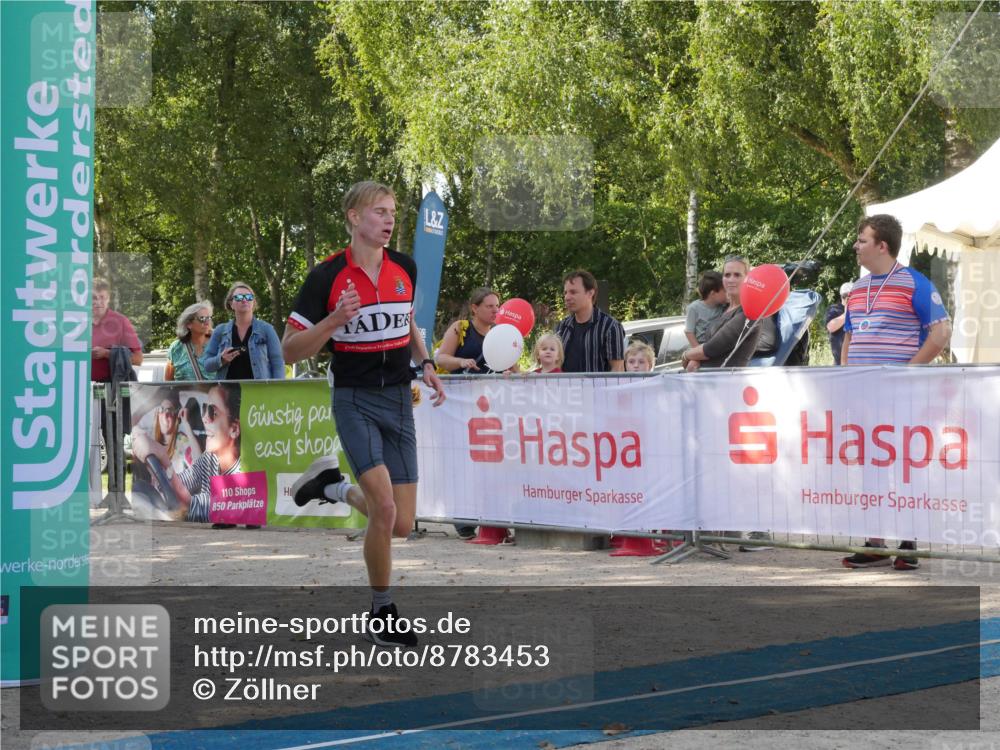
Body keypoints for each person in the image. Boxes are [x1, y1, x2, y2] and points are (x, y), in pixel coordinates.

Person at [281, 180, 446, 648]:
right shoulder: (326, 276)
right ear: (354, 218)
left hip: (399, 400)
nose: (389, 220)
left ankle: (330, 487)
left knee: (400, 524)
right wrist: (335, 320)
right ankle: (382, 611)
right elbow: (289, 350)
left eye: (392, 211)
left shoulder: (405, 267)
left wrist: (426, 363)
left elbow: (408, 323)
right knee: (385, 507)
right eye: (379, 212)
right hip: (354, 399)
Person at [840, 214, 951, 571]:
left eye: (862, 240)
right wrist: (845, 378)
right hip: (864, 397)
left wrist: (906, 372)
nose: (856, 246)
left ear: (882, 245)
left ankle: (909, 541)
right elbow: (850, 337)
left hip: (902, 397)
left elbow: (941, 332)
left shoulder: (915, 283)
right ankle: (875, 543)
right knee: (870, 466)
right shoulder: (857, 289)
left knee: (905, 466)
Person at [131, 383, 242, 525]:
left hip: (216, 535)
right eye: (204, 409)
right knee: (140, 488)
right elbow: (181, 483)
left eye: (213, 412)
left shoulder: (240, 477)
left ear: (234, 429)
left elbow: (192, 506)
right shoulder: (210, 460)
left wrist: (163, 458)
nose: (204, 418)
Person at [681, 257, 762, 371]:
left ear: (747, 278)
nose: (731, 280)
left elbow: (710, 349)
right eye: (727, 275)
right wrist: (695, 358)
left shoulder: (749, 313)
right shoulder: (722, 308)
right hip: (706, 378)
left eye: (737, 275)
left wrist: (686, 355)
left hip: (727, 379)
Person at [204, 282, 285, 381]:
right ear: (231, 304)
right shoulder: (220, 331)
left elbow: (278, 363)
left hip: (259, 389)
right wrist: (221, 359)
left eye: (249, 297)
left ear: (253, 302)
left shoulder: (267, 329)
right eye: (239, 297)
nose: (244, 300)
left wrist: (277, 388)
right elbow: (207, 365)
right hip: (227, 389)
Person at [556, 270, 625, 373]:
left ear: (590, 293)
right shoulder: (562, 326)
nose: (567, 297)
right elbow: (554, 365)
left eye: (573, 292)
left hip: (599, 384)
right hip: (565, 384)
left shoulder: (610, 327)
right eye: (565, 293)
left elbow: (617, 370)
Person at [435, 287, 500, 373]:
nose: (496, 310)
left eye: (497, 306)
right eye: (490, 306)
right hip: (459, 381)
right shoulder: (461, 327)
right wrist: (461, 362)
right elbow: (440, 359)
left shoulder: (500, 334)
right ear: (475, 308)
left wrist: (508, 373)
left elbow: (511, 369)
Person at [166, 302, 213, 381]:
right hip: (184, 389)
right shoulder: (176, 348)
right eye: (202, 318)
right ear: (189, 324)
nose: (207, 322)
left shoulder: (218, 344)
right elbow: (168, 382)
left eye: (208, 318)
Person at [684, 271, 727, 347]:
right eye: (724, 291)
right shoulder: (694, 308)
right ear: (713, 293)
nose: (728, 293)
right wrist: (698, 350)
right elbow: (689, 332)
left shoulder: (724, 306)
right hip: (701, 347)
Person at [824, 282, 853, 366]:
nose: (847, 299)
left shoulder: (860, 309)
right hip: (839, 362)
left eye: (850, 296)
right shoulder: (834, 309)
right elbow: (830, 327)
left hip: (856, 360)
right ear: (841, 297)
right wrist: (846, 314)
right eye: (845, 296)